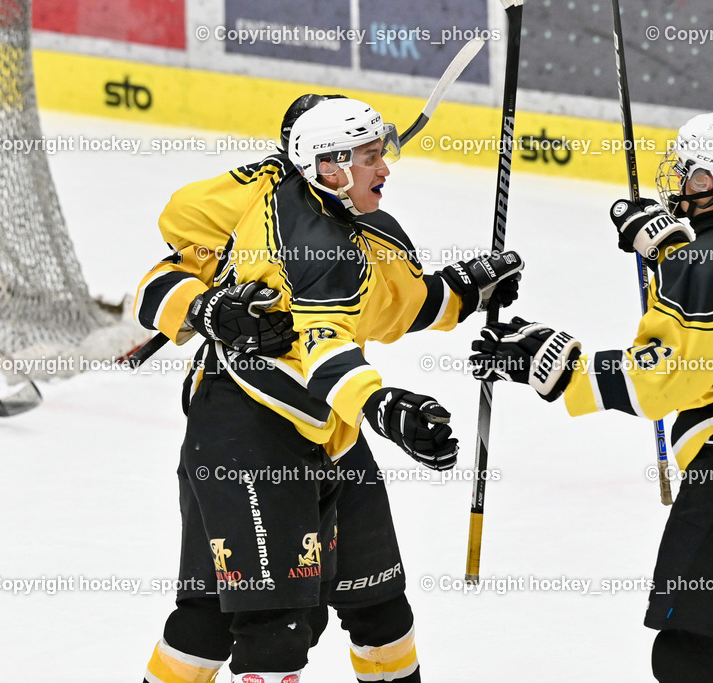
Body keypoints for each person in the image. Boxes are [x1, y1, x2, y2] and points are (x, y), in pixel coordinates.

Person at [134, 95, 524, 683]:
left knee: (378, 603)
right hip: (248, 429)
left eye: (380, 153)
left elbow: (389, 307)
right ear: (327, 165)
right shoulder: (296, 229)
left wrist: (466, 291)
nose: (387, 168)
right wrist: (208, 308)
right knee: (271, 630)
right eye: (371, 156)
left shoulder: (364, 229)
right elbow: (324, 352)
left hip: (328, 428)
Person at [468, 111, 713, 683]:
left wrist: (558, 367)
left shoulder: (698, 266)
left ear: (712, 182)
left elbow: (661, 383)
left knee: (686, 651)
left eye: (689, 174)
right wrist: (670, 249)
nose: (677, 181)